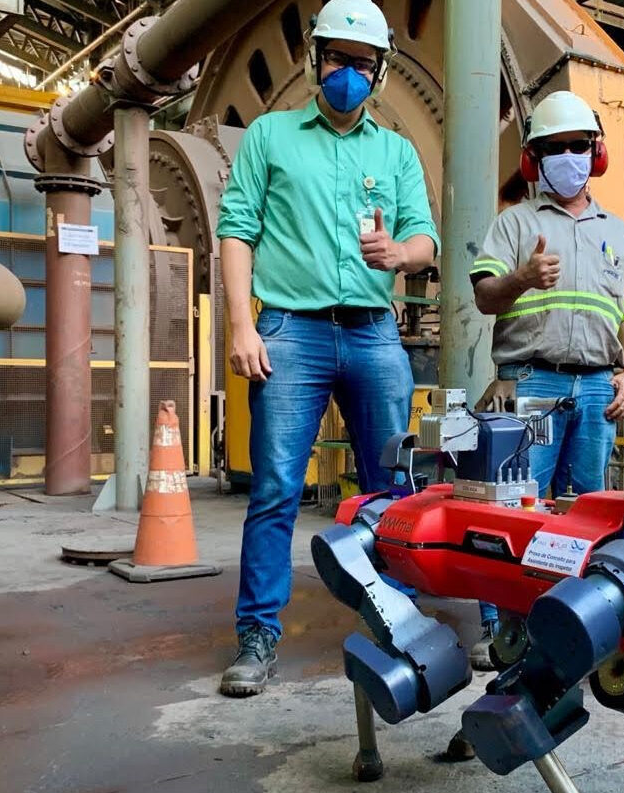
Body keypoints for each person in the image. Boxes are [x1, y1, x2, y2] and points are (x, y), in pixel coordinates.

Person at [216, 0, 440, 697]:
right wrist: (240, 325)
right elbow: (236, 231)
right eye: (338, 58)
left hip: (374, 330)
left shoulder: (396, 151)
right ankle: (258, 636)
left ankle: (395, 624)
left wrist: (400, 253)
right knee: (276, 489)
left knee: (390, 492)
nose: (349, 72)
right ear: (318, 60)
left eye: (362, 62)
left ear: (380, 72)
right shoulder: (271, 137)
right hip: (291, 329)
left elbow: (425, 240)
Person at [467, 91, 624, 670]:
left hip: (599, 388)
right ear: (533, 160)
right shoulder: (516, 224)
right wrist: (522, 277)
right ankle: (502, 629)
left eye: (578, 146)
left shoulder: (617, 233)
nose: (568, 157)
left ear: (595, 154)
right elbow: (483, 295)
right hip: (533, 385)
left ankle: (575, 623)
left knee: (589, 510)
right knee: (517, 510)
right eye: (555, 149)